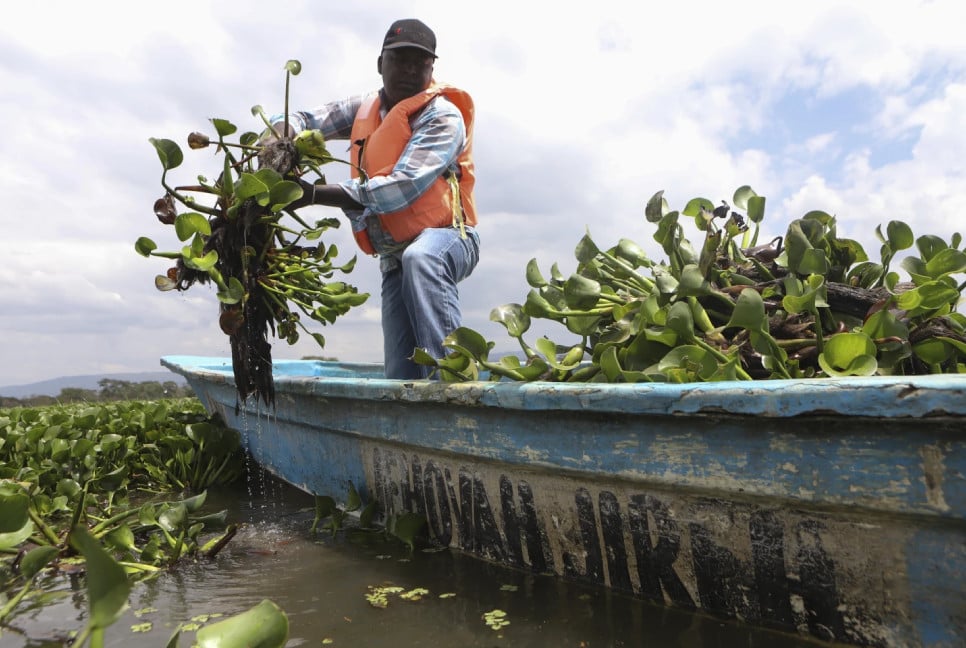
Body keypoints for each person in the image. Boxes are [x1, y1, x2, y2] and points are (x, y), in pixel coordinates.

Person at [268, 18, 480, 379]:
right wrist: (279, 135)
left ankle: (454, 383)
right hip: (395, 258)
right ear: (380, 63)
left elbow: (400, 188)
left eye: (421, 63)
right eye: (400, 60)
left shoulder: (443, 116)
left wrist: (314, 195)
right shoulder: (365, 107)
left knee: (422, 257)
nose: (410, 70)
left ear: (432, 68)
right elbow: (305, 118)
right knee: (400, 374)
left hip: (448, 240)